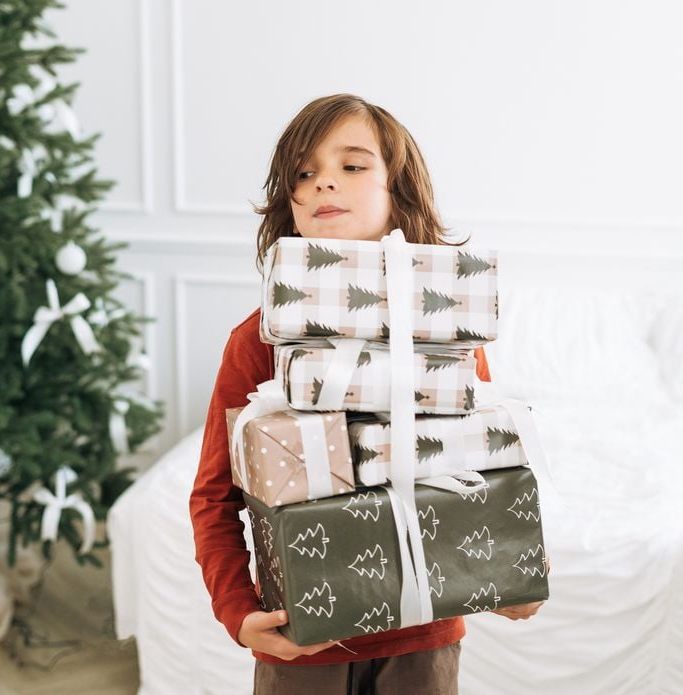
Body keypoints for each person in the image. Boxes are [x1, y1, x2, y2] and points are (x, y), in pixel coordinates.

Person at [189, 94, 545, 694]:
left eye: (353, 166)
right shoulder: (256, 340)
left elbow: (484, 467)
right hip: (301, 637)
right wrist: (238, 614)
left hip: (424, 636)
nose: (326, 180)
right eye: (305, 172)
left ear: (398, 193)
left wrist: (512, 567)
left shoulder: (447, 332)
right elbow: (214, 495)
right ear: (291, 205)